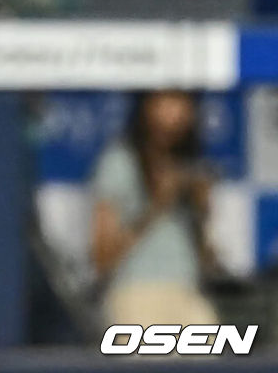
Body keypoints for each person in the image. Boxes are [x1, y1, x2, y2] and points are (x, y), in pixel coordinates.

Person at [90, 90, 219, 327]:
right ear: (146, 106)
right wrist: (156, 204)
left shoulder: (189, 164)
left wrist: (202, 211)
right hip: (136, 291)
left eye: (182, 102)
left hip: (187, 290)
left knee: (214, 355)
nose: (175, 113)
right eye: (166, 101)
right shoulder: (120, 161)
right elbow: (101, 257)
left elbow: (208, 261)